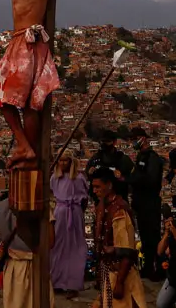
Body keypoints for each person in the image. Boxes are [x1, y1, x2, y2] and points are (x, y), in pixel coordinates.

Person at [0, 0, 74, 168]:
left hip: (30, 43)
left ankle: (30, 151)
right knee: (3, 98)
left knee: (28, 103)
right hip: (17, 42)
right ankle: (24, 146)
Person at [88, 169, 145, 308]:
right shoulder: (103, 205)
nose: (94, 191)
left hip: (121, 273)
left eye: (98, 187)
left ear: (109, 185)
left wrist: (119, 282)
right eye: (93, 187)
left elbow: (126, 249)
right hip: (108, 273)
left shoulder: (119, 210)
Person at [0, 197, 55, 308]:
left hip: (14, 268)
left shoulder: (1, 208)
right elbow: (50, 242)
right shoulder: (41, 205)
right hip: (35, 267)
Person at [125, 128, 163, 282]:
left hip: (150, 202)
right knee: (145, 238)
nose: (132, 142)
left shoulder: (152, 158)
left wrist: (134, 179)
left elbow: (151, 180)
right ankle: (148, 268)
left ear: (142, 139)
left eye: (134, 138)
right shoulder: (142, 156)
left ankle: (157, 269)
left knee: (153, 237)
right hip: (141, 202)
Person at [50, 152, 88, 298]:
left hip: (74, 214)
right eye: (61, 160)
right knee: (57, 247)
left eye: (66, 160)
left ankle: (73, 285)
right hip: (60, 214)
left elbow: (84, 199)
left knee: (75, 248)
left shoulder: (79, 178)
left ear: (71, 162)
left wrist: (77, 211)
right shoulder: (54, 178)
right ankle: (57, 282)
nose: (63, 163)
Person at [86, 131, 134, 202]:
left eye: (107, 141)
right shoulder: (94, 160)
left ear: (114, 142)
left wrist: (121, 178)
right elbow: (89, 179)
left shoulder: (123, 159)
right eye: (102, 141)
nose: (104, 144)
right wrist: (89, 173)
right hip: (100, 201)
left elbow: (133, 179)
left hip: (119, 200)